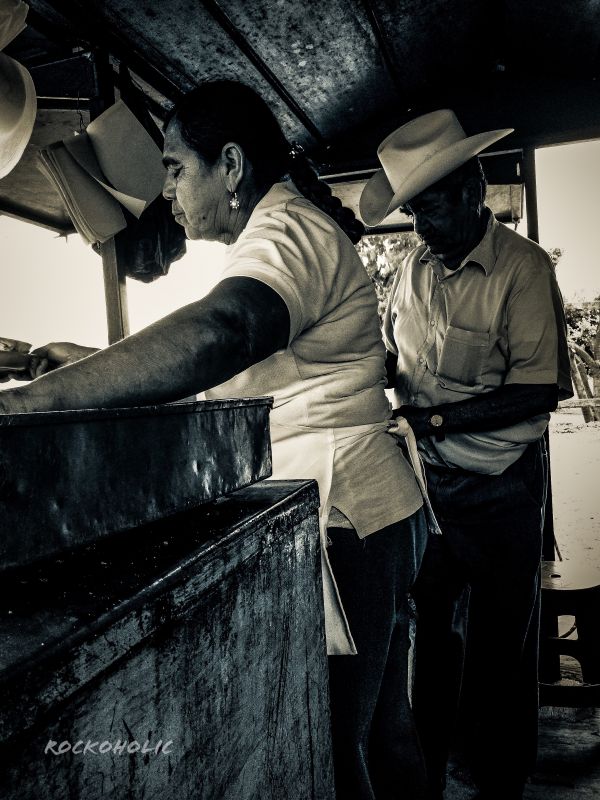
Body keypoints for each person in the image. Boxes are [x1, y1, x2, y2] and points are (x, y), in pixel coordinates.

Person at [0, 80, 429, 800]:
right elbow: (238, 371)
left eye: (174, 168)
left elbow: (222, 332)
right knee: (380, 729)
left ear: (228, 166)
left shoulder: (285, 233)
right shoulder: (282, 231)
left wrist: (29, 405)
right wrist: (88, 365)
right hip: (371, 506)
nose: (167, 190)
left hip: (344, 513)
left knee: (333, 740)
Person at [360, 109, 573, 800]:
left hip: (503, 486)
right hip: (429, 486)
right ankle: (425, 774)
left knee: (502, 652)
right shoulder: (412, 269)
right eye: (413, 212)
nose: (421, 227)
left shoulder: (522, 269)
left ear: (474, 189)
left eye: (431, 209)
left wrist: (437, 417)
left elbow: (543, 388)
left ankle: (501, 782)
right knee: (431, 641)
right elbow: (399, 359)